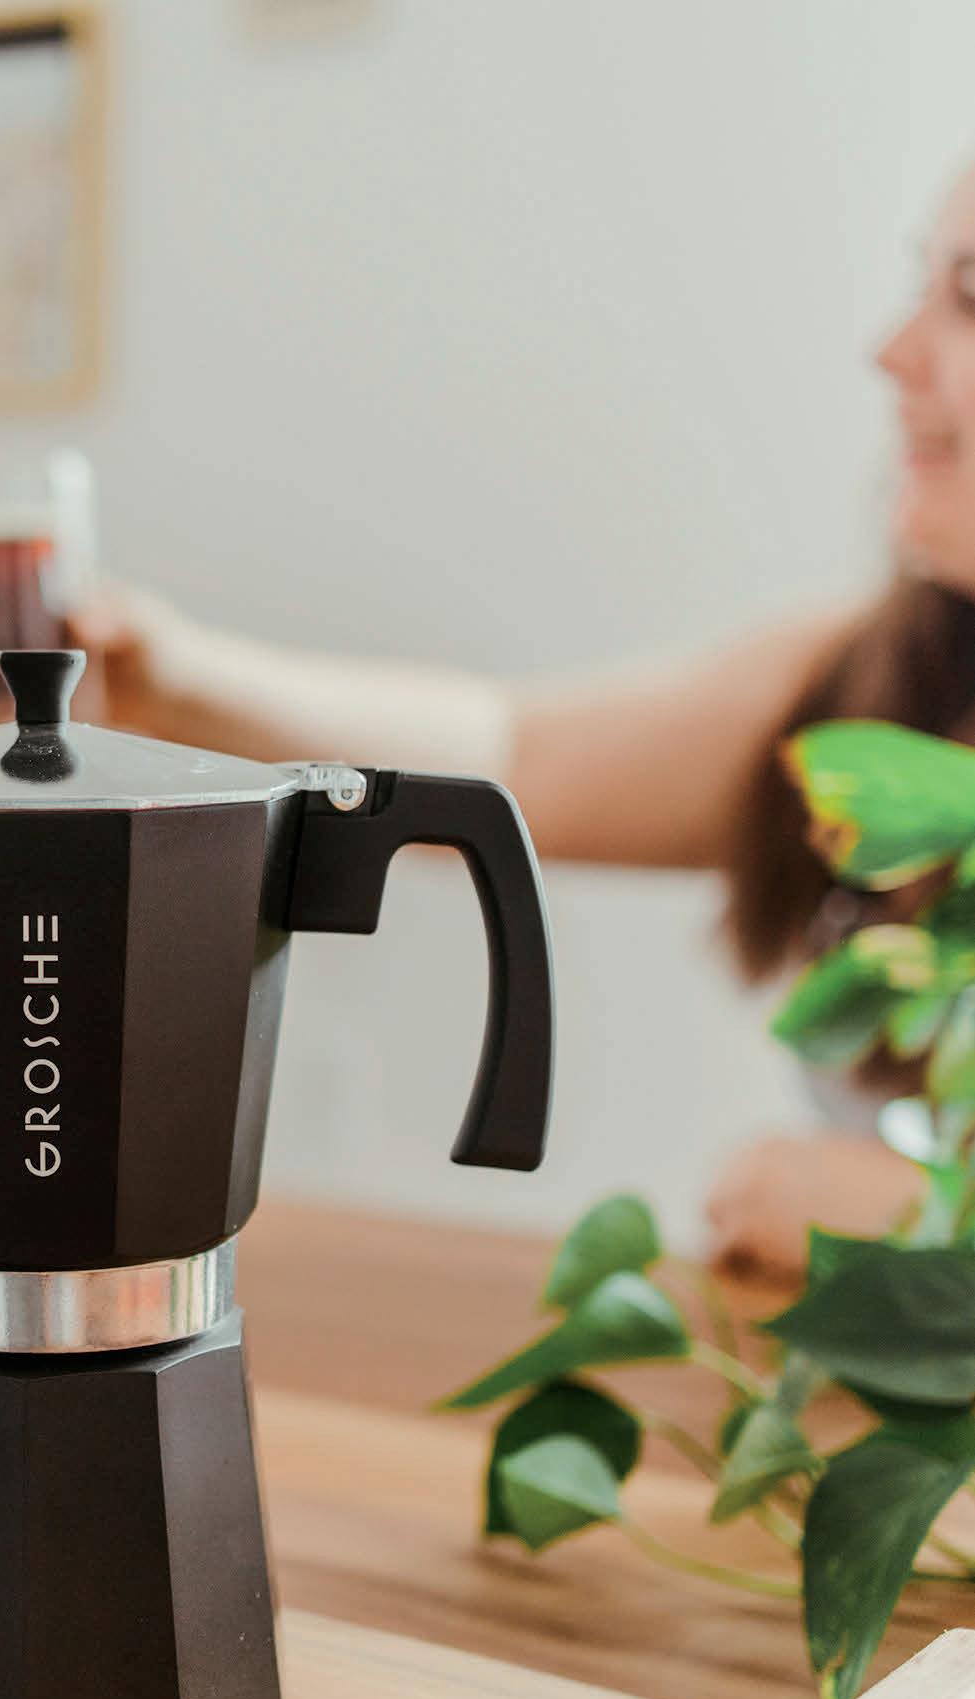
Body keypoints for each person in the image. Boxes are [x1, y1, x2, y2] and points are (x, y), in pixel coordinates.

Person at [81, 159, 975, 1281]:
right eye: (921, 286)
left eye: (970, 299)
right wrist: (174, 678)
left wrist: (901, 1220)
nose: (893, 351)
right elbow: (517, 759)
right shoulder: (876, 683)